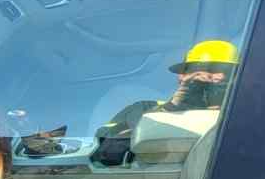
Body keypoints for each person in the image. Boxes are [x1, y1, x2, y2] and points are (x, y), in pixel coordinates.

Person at [91, 40, 237, 166]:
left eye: (225, 73)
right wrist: (171, 109)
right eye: (198, 72)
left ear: (237, 79)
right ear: (182, 77)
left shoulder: (243, 116)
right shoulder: (143, 111)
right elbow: (102, 156)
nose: (209, 83)